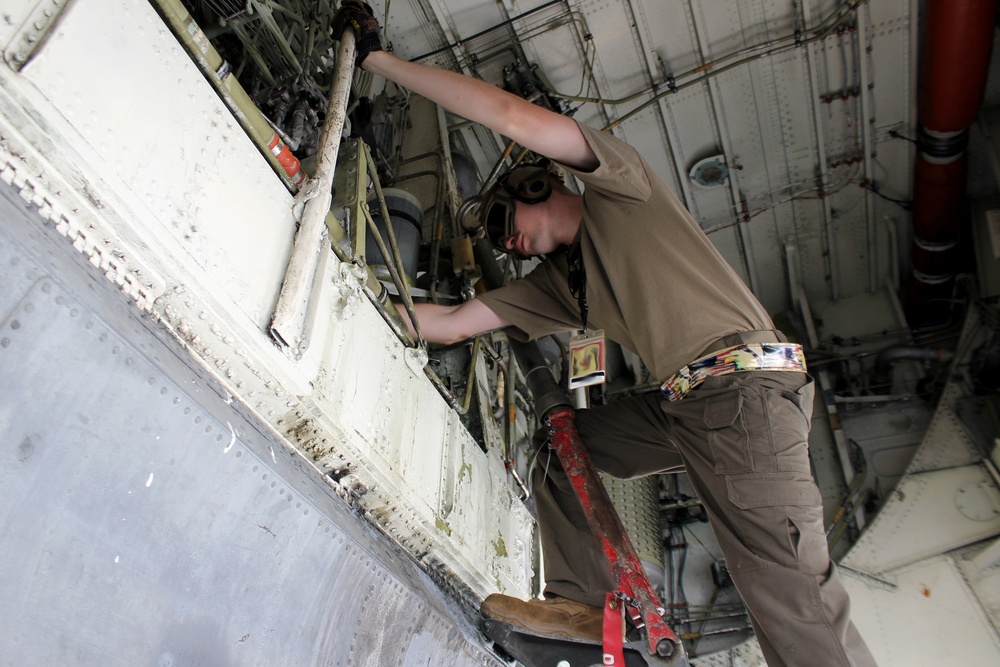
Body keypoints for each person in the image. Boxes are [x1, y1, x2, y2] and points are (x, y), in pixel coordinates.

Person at [334, 3, 878, 666]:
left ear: (538, 183)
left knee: (791, 599)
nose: (508, 240)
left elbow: (506, 117)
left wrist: (376, 61)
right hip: (688, 409)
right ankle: (583, 605)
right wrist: (346, 279)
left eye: (506, 217)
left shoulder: (622, 188)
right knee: (564, 445)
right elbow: (450, 322)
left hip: (747, 394)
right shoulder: (566, 286)